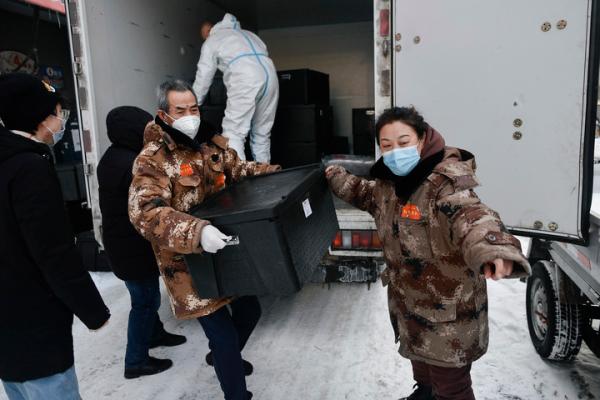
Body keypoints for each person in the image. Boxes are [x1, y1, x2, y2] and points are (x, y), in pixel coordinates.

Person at [325, 107, 531, 400]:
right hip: (411, 306)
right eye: (387, 145)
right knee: (421, 366)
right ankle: (423, 393)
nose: (395, 152)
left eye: (403, 142)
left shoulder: (445, 183)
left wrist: (494, 249)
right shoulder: (388, 184)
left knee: (451, 387)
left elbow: (471, 216)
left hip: (449, 313)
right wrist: (334, 174)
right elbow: (363, 192)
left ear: (422, 139)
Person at [128, 79, 280, 400]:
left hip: (226, 252)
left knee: (250, 311)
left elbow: (239, 170)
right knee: (222, 336)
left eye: (193, 108)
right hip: (187, 266)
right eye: (180, 110)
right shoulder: (153, 159)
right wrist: (196, 231)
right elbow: (145, 212)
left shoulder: (210, 144)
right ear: (164, 115)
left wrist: (279, 175)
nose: (190, 116)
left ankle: (223, 359)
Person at [0, 73, 110, 400]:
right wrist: (92, 310)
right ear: (39, 118)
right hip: (35, 320)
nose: (61, 121)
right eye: (58, 113)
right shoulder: (29, 168)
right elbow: (53, 251)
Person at [97, 106, 188, 379]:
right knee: (145, 301)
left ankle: (155, 334)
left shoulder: (112, 157)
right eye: (147, 126)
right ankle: (135, 361)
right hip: (131, 247)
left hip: (122, 244)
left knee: (145, 296)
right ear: (134, 130)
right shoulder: (131, 164)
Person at [193, 13, 279, 163]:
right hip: (270, 76)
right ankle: (266, 173)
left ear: (208, 31)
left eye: (204, 37)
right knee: (262, 134)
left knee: (233, 134)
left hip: (245, 77)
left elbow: (204, 77)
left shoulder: (212, 40)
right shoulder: (250, 35)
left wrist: (193, 104)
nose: (205, 40)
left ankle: (239, 177)